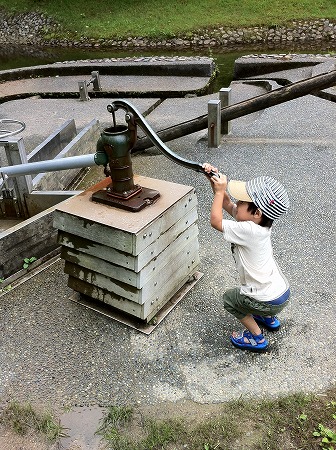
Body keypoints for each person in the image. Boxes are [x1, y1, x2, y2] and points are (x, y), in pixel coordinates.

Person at [203, 163, 290, 353]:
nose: (237, 203)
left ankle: (257, 337)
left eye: (242, 202)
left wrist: (219, 193)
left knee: (230, 300)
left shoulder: (248, 230)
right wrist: (214, 180)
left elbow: (215, 221)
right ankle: (268, 318)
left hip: (266, 300)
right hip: (280, 294)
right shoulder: (260, 225)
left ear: (257, 213)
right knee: (257, 295)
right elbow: (227, 203)